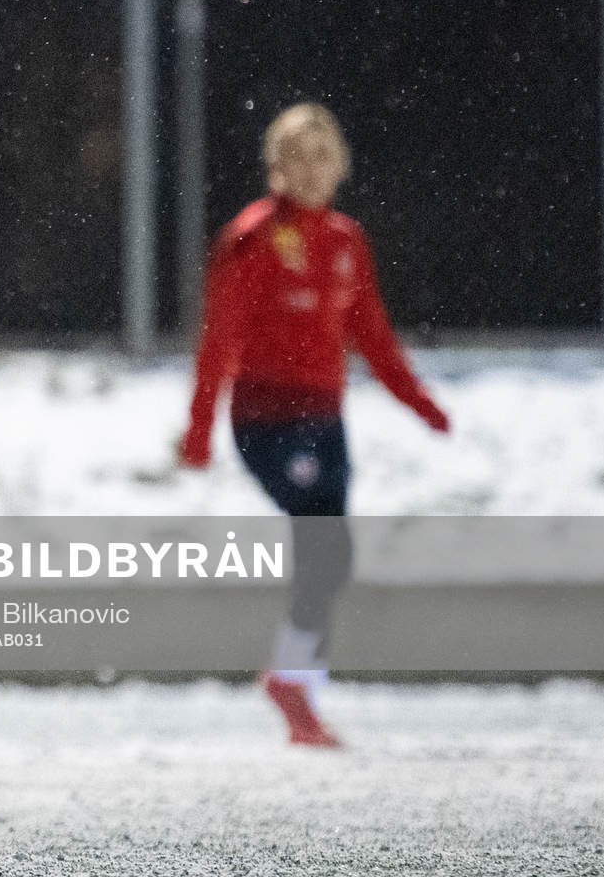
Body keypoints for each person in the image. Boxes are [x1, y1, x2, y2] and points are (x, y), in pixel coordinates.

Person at [178, 102, 447, 747]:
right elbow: (218, 340)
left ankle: (295, 683)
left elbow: (371, 332)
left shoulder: (346, 241)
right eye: (298, 157)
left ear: (340, 166)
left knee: (333, 552)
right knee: (323, 545)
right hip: (268, 419)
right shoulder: (250, 239)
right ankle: (292, 685)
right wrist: (198, 428)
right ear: (276, 167)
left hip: (325, 418)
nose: (312, 170)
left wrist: (418, 402)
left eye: (323, 156)